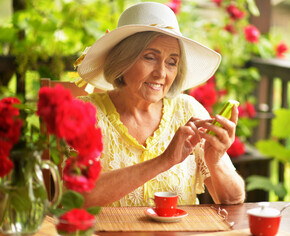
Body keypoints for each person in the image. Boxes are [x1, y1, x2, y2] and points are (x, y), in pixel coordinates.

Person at [76, 2, 245, 208]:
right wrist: (164, 161)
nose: (161, 73)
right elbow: (76, 198)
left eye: (172, 62)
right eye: (149, 57)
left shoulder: (188, 110)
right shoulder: (84, 114)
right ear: (122, 61)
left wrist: (215, 160)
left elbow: (233, 200)